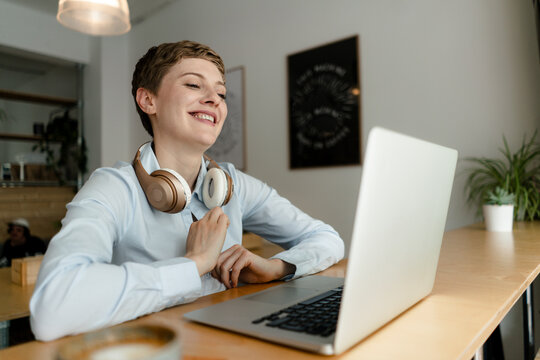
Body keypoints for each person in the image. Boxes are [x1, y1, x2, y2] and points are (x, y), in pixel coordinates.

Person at [30, 40, 344, 341]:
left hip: (229, 343)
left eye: (220, 93)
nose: (214, 99)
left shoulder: (234, 184)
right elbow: (52, 307)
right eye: (194, 85)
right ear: (148, 100)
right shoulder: (114, 187)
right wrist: (195, 264)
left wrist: (276, 268)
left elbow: (327, 239)